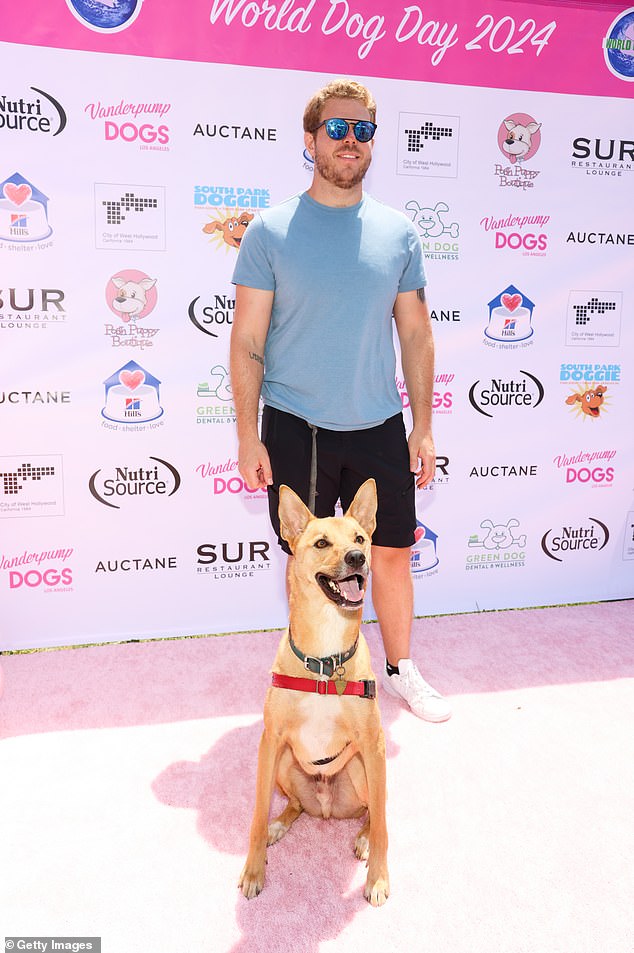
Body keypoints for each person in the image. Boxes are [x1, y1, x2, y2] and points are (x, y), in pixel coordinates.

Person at [229, 78, 451, 723]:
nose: (350, 141)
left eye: (363, 130)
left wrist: (424, 426)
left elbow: (416, 333)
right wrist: (249, 436)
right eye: (337, 129)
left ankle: (401, 669)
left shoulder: (399, 232)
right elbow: (247, 339)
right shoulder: (269, 231)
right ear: (311, 140)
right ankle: (310, 676)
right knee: (311, 557)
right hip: (296, 423)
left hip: (379, 420)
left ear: (373, 142)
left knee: (390, 552)